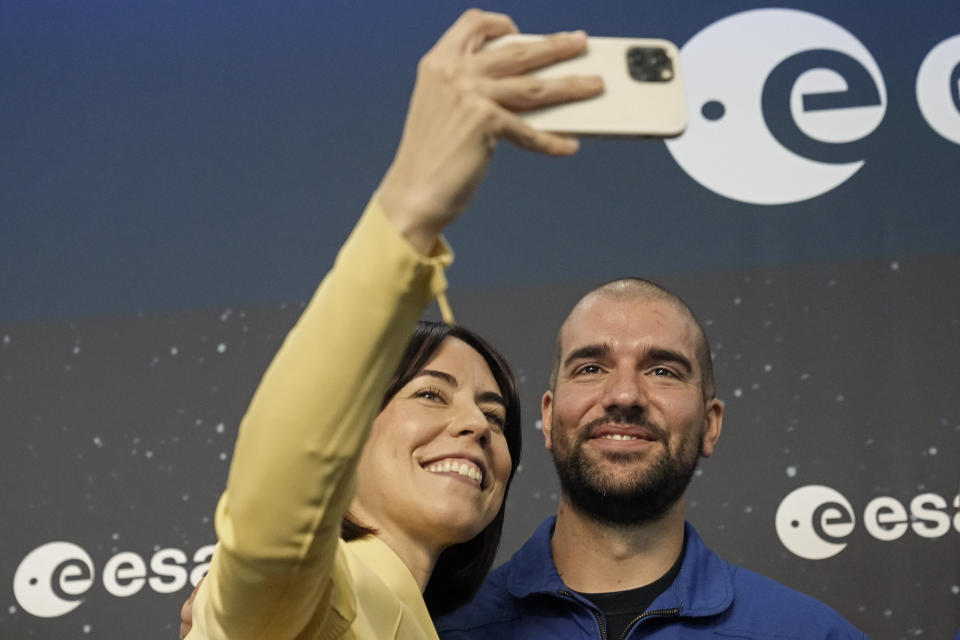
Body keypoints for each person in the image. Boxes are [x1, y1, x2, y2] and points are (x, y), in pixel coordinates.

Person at [182, 9, 603, 640]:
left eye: (494, 417)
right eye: (430, 393)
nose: (475, 427)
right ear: (345, 436)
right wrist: (410, 207)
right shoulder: (323, 592)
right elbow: (271, 534)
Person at [434, 278, 868, 639]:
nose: (624, 395)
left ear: (710, 424)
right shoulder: (435, 631)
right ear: (547, 417)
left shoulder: (808, 633)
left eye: (662, 370)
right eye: (591, 368)